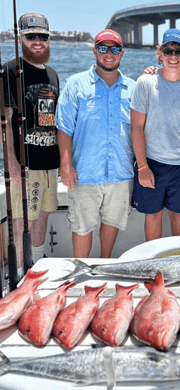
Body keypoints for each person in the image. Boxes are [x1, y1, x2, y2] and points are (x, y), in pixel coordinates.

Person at [55, 29, 135, 258]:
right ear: (94, 51)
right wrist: (65, 164)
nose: (109, 54)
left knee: (112, 221)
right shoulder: (75, 85)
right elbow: (64, 127)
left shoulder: (134, 87)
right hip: (85, 171)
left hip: (120, 171)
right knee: (82, 226)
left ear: (122, 53)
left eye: (115, 49)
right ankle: (82, 270)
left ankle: (104, 265)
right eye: (103, 48)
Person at [131, 28, 180, 241]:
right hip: (151, 163)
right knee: (153, 216)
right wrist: (143, 167)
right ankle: (154, 267)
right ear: (160, 53)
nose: (174, 56)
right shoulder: (145, 83)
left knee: (178, 214)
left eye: (179, 51)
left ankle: (178, 264)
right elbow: (136, 127)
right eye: (168, 51)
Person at [4, 13, 60, 273]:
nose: (38, 42)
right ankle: (17, 269)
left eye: (43, 36)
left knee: (44, 213)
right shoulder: (7, 71)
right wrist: (12, 162)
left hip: (50, 161)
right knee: (21, 218)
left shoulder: (52, 73)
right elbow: (4, 122)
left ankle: (37, 264)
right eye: (31, 36)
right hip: (24, 164)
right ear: (21, 37)